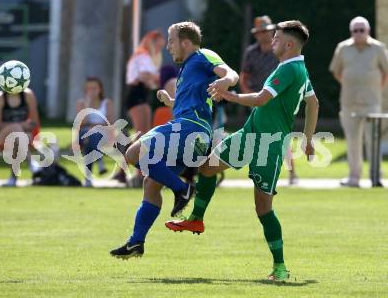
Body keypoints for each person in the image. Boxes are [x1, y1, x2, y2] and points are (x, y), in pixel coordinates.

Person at [166, 21, 319, 282]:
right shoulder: (296, 68)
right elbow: (313, 102)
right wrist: (308, 138)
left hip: (269, 144)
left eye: (276, 38)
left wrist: (230, 96)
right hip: (249, 134)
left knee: (263, 208)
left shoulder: (291, 69)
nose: (272, 41)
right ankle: (197, 219)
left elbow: (261, 99)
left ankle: (280, 267)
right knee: (207, 167)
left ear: (289, 44)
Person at [110, 21, 239, 259]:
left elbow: (231, 73)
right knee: (151, 183)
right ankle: (136, 243)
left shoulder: (202, 56)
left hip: (190, 128)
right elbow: (195, 100)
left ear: (186, 42)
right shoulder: (189, 67)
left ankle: (182, 188)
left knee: (132, 153)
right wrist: (171, 101)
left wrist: (226, 81)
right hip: (192, 131)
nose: (168, 47)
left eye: (171, 41)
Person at [329, 16, 388, 187]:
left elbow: (386, 72)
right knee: (352, 141)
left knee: (373, 141)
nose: (358, 33)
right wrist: (349, 83)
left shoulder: (378, 48)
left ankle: (375, 178)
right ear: (351, 32)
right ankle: (354, 178)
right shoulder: (343, 48)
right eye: (355, 30)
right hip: (348, 102)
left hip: (371, 103)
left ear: (368, 31)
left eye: (362, 30)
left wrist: (375, 87)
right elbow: (336, 71)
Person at [241, 15, 298, 184]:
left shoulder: (281, 50)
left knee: (283, 137)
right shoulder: (251, 53)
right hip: (257, 99)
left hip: (279, 100)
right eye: (259, 32)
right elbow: (244, 76)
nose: (262, 35)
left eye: (265, 31)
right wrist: (248, 95)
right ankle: (261, 173)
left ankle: (292, 173)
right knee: (258, 137)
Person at [113, 30, 166, 187]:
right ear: (152, 41)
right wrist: (159, 78)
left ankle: (127, 171)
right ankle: (134, 171)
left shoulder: (143, 56)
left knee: (143, 134)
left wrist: (154, 79)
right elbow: (144, 76)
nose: (159, 50)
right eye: (158, 45)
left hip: (142, 94)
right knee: (142, 134)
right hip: (137, 94)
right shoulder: (142, 55)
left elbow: (149, 79)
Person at [0, 87, 40, 187]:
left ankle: (13, 179)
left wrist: (19, 127)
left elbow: (35, 123)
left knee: (17, 138)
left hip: (25, 137)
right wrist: (20, 125)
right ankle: (31, 162)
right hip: (4, 136)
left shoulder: (28, 95)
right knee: (16, 129)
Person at [76, 77, 113, 187]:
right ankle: (100, 161)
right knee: (90, 134)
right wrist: (87, 105)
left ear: (100, 89)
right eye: (89, 88)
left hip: (103, 136)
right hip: (83, 135)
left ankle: (88, 178)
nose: (92, 91)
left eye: (94, 88)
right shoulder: (81, 103)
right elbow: (82, 123)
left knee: (92, 138)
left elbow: (110, 123)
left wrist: (94, 127)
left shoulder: (107, 103)